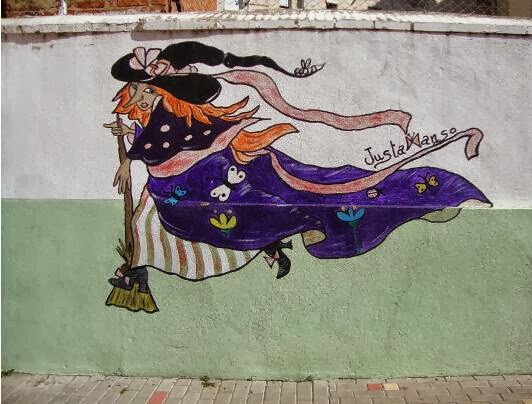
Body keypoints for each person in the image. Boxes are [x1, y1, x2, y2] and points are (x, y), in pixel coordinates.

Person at [105, 41, 490, 299]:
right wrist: (128, 150)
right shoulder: (161, 116)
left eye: (147, 88)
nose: (141, 95)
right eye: (140, 88)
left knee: (306, 191)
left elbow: (161, 146)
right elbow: (154, 143)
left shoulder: (172, 116)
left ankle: (425, 192)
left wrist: (130, 157)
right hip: (196, 182)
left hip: (204, 180)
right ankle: (287, 234)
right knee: (291, 194)